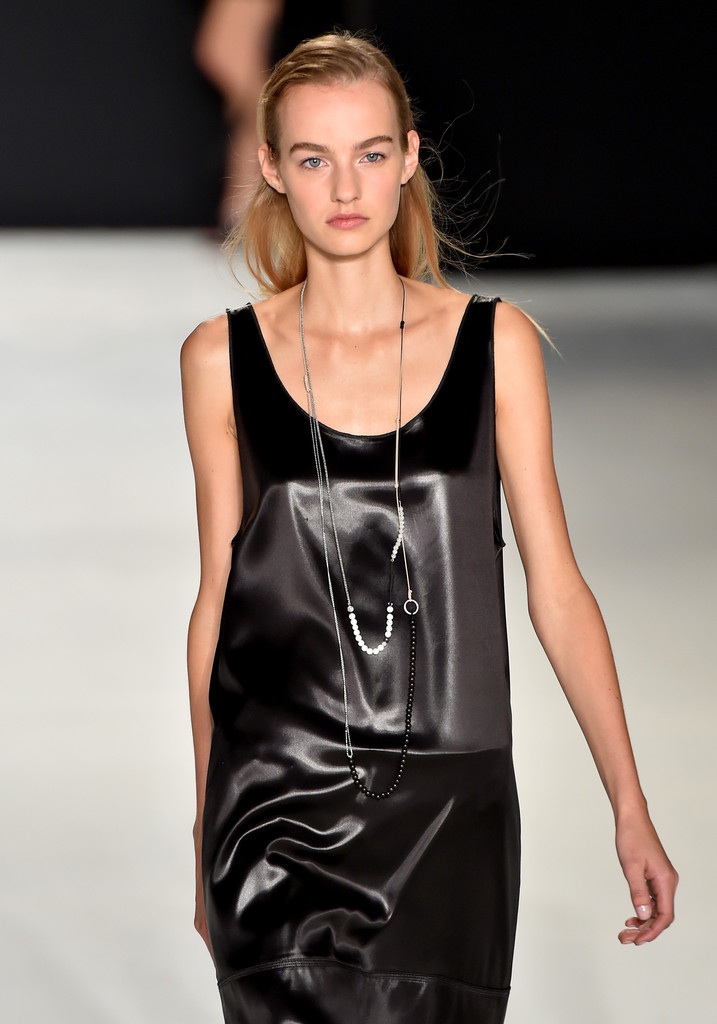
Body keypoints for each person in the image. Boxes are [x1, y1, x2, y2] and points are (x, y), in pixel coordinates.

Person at [180, 31, 678, 1024]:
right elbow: (218, 600)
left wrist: (629, 803)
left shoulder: (495, 343)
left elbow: (556, 586)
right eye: (313, 159)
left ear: (408, 156)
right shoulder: (218, 359)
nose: (345, 187)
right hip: (275, 802)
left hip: (454, 809)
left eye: (369, 153)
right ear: (271, 168)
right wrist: (205, 827)